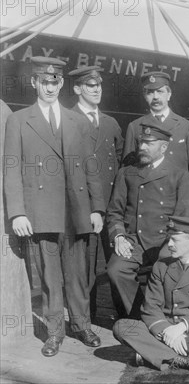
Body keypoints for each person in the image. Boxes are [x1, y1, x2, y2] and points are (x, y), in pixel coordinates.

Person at [3, 57, 104, 356]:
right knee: (49, 276)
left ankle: (82, 324)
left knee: (77, 273)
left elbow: (91, 167)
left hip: (74, 210)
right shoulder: (19, 120)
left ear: (62, 83)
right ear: (34, 82)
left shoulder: (77, 120)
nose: (50, 87)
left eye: (55, 81)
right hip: (41, 210)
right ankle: (55, 332)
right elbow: (11, 168)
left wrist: (96, 207)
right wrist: (18, 212)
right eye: (44, 81)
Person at [113, 216, 189, 372]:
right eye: (169, 240)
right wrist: (167, 331)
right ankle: (180, 360)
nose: (170, 245)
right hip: (164, 325)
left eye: (175, 240)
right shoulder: (161, 266)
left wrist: (182, 327)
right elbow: (150, 307)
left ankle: (153, 353)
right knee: (122, 326)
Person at [106, 124, 189, 318]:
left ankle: (163, 318)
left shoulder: (179, 175)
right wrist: (119, 236)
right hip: (133, 241)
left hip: (165, 241)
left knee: (169, 275)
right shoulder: (126, 173)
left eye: (149, 144)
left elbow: (184, 217)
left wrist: (173, 244)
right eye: (141, 143)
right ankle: (139, 318)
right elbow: (114, 211)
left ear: (163, 147)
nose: (142, 147)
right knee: (116, 270)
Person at [68, 65, 124, 320]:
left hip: (111, 207)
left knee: (117, 264)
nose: (97, 90)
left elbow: (121, 163)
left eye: (99, 85)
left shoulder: (111, 123)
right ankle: (85, 321)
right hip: (82, 206)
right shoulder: (67, 120)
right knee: (85, 267)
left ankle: (123, 319)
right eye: (91, 86)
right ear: (78, 88)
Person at [122, 72, 189, 169]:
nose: (155, 97)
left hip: (175, 183)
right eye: (150, 92)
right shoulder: (135, 127)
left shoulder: (185, 126)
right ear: (145, 96)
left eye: (160, 91)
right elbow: (127, 169)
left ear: (169, 94)